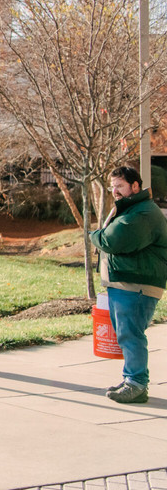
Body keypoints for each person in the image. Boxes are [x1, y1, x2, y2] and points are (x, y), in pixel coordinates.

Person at [90, 165, 167, 405]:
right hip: (127, 282)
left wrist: (95, 235)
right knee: (126, 334)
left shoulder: (143, 213)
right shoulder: (131, 209)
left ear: (136, 186)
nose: (116, 191)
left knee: (130, 334)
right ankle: (131, 380)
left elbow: (112, 240)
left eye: (120, 186)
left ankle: (136, 383)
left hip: (137, 284)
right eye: (113, 187)